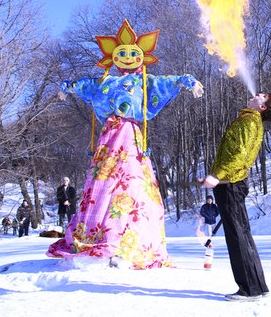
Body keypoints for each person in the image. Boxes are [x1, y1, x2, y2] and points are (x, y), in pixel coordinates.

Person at [47, 20, 204, 269]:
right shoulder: (107, 82)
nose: (128, 57)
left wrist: (186, 81)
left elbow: (164, 82)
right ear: (112, 56)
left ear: (143, 56)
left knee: (131, 182)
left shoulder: (144, 81)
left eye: (133, 53)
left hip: (130, 137)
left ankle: (131, 241)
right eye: (122, 53)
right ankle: (97, 235)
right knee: (102, 182)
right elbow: (87, 85)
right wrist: (69, 87)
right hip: (109, 137)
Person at [201, 92, 271, 302]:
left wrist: (217, 175)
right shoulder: (251, 121)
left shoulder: (248, 122)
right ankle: (258, 285)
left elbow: (239, 156)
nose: (256, 94)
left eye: (261, 96)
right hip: (232, 183)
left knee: (237, 236)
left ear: (263, 107)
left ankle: (249, 289)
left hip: (230, 184)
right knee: (242, 235)